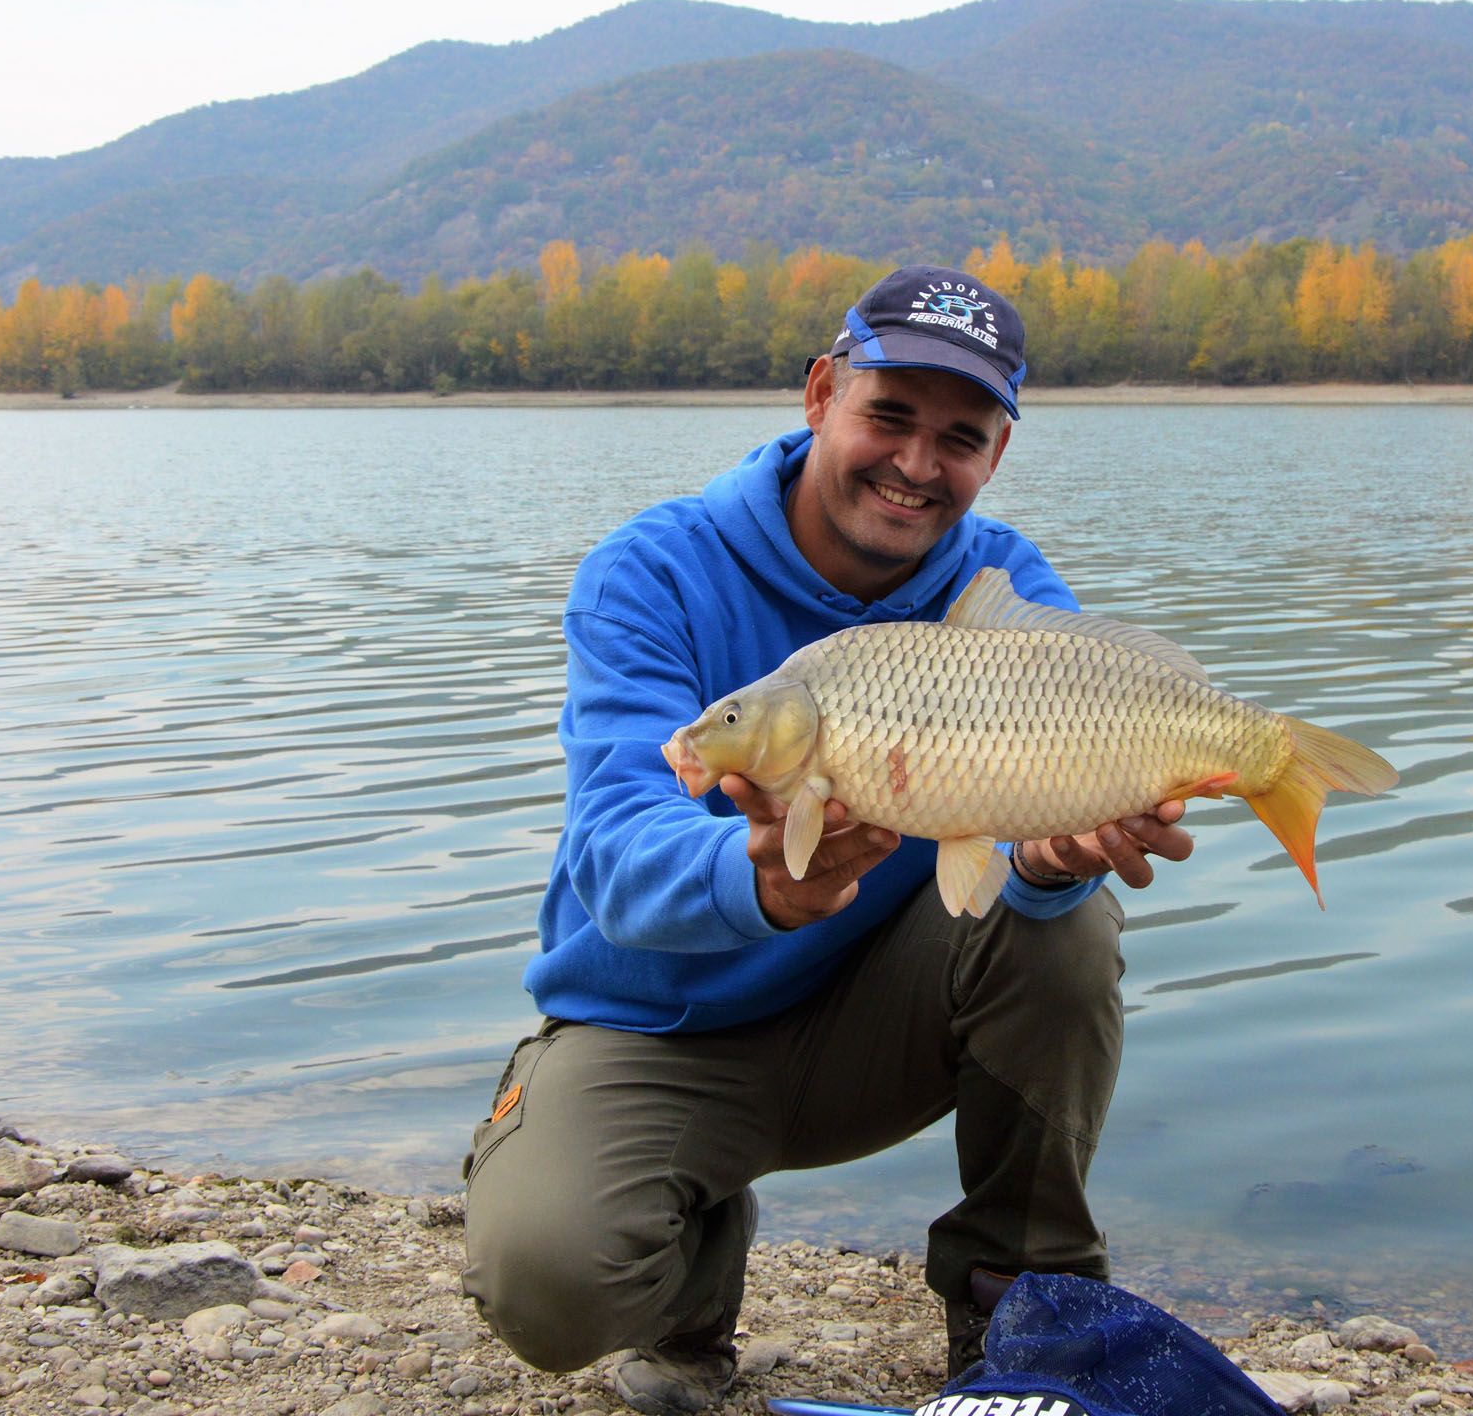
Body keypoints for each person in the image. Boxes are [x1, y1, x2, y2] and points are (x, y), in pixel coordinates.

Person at [461, 265, 1195, 1416]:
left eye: (959, 436)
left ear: (995, 454)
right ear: (818, 395)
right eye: (888, 416)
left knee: (1070, 928)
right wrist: (750, 879)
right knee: (548, 1283)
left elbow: (1015, 874)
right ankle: (688, 1287)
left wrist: (1052, 864)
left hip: (875, 1027)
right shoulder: (652, 573)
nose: (916, 464)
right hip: (666, 1031)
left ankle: (1023, 1318)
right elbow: (611, 852)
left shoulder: (1003, 592)